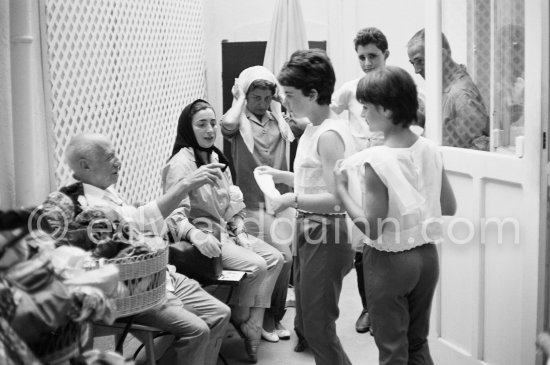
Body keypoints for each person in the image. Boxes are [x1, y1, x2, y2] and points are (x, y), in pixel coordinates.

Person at [63, 133, 231, 365]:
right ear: (85, 166)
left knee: (221, 313)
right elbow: (141, 222)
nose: (118, 162)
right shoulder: (86, 207)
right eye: (110, 157)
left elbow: (140, 223)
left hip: (161, 276)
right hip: (135, 291)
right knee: (198, 330)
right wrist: (186, 184)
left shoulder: (106, 192)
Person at [334, 66, 457, 365]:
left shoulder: (376, 160)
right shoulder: (430, 148)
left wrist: (342, 193)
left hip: (390, 263)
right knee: (417, 344)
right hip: (427, 258)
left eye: (366, 107)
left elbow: (372, 229)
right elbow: (449, 207)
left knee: (392, 351)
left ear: (386, 109)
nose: (362, 114)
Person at [162, 99, 284, 363]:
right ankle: (241, 316)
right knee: (257, 266)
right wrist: (196, 235)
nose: (209, 130)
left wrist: (240, 232)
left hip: (224, 233)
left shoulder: (215, 157)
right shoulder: (180, 165)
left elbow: (230, 203)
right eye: (201, 124)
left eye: (212, 123)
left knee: (276, 258)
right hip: (202, 239)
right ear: (188, 127)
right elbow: (174, 215)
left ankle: (255, 320)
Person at [258, 49, 356, 365]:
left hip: (325, 231)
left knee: (317, 326)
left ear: (312, 93)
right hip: (310, 227)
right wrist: (279, 176)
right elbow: (311, 177)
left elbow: (338, 198)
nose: (284, 101)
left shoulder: (330, 135)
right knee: (309, 318)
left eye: (288, 94)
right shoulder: (313, 127)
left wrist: (290, 199)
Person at [220, 66, 294, 342]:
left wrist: (280, 100)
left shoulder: (278, 118)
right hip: (252, 202)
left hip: (281, 199)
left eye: (266, 98)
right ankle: (265, 318)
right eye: (256, 98)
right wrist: (239, 96)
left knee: (287, 263)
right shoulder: (239, 123)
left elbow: (304, 121)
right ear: (246, 98)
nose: (262, 104)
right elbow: (226, 125)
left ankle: (274, 316)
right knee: (282, 258)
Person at [330, 26, 390, 334]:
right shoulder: (350, 89)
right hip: (359, 176)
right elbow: (329, 112)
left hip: (390, 173)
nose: (367, 63)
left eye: (373, 56)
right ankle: (369, 308)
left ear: (386, 56)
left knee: (390, 240)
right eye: (362, 57)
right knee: (363, 245)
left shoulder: (398, 88)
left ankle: (391, 306)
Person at [407, 28, 489, 150]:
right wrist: (419, 118)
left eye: (420, 61)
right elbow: (448, 132)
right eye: (413, 63)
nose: (416, 70)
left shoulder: (461, 95)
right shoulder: (441, 87)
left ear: (441, 55)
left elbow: (480, 146)